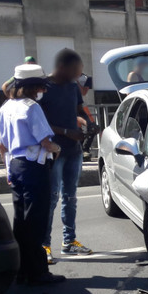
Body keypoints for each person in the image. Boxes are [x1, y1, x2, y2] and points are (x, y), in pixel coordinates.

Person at [0, 64, 66, 285]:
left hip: (15, 166)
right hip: (34, 167)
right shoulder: (32, 107)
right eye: (41, 86)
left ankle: (21, 271)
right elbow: (45, 142)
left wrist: (8, 170)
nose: (43, 90)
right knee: (36, 221)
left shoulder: (6, 107)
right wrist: (58, 149)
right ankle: (38, 273)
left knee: (21, 221)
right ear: (33, 86)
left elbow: (1, 146)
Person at [39, 48, 93, 263]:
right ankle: (44, 245)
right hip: (54, 151)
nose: (77, 76)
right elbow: (38, 123)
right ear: (63, 67)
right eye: (75, 71)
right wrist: (65, 132)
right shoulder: (43, 87)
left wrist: (88, 123)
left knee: (70, 198)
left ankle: (69, 242)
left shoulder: (73, 87)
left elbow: (79, 111)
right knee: (52, 198)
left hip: (74, 151)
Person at [77, 72, 99, 160]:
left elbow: (83, 92)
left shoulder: (86, 78)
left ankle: (85, 149)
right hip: (70, 107)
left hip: (82, 106)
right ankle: (80, 151)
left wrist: (76, 82)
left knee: (92, 127)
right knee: (77, 129)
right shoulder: (66, 78)